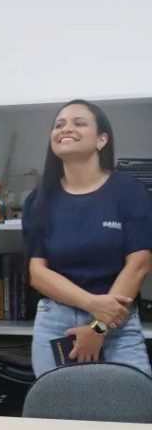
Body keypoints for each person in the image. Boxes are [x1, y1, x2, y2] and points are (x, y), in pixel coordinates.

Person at [23, 99, 152, 378]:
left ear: (101, 139)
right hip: (57, 324)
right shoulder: (38, 200)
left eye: (79, 123)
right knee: (58, 406)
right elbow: (37, 273)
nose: (66, 129)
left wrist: (99, 328)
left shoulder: (129, 191)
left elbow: (139, 265)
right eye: (59, 124)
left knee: (131, 404)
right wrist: (93, 305)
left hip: (117, 323)